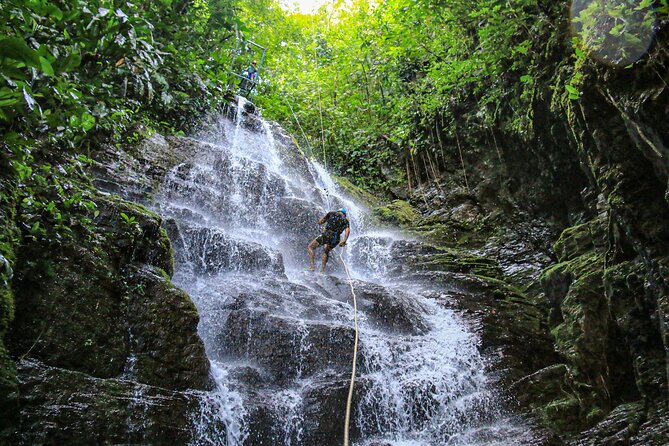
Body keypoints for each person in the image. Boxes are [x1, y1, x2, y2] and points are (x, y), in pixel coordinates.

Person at [307, 208, 350, 272]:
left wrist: (320, 219)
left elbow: (320, 222)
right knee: (326, 251)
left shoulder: (331, 213)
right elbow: (348, 230)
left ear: (338, 211)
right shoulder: (345, 220)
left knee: (310, 247)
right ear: (344, 214)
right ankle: (322, 270)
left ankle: (312, 266)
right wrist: (344, 240)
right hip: (336, 239)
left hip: (327, 234)